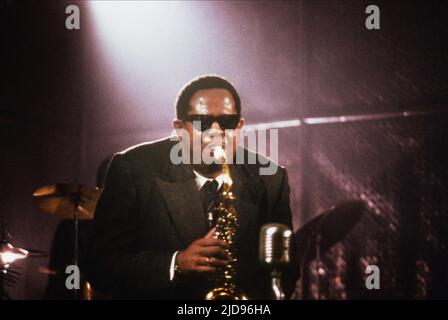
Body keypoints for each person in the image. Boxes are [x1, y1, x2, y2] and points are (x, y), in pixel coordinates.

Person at [88, 75, 297, 299]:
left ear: (239, 126)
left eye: (227, 122)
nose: (216, 132)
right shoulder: (133, 168)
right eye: (203, 122)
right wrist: (175, 264)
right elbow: (100, 266)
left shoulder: (271, 178)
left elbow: (286, 272)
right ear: (179, 128)